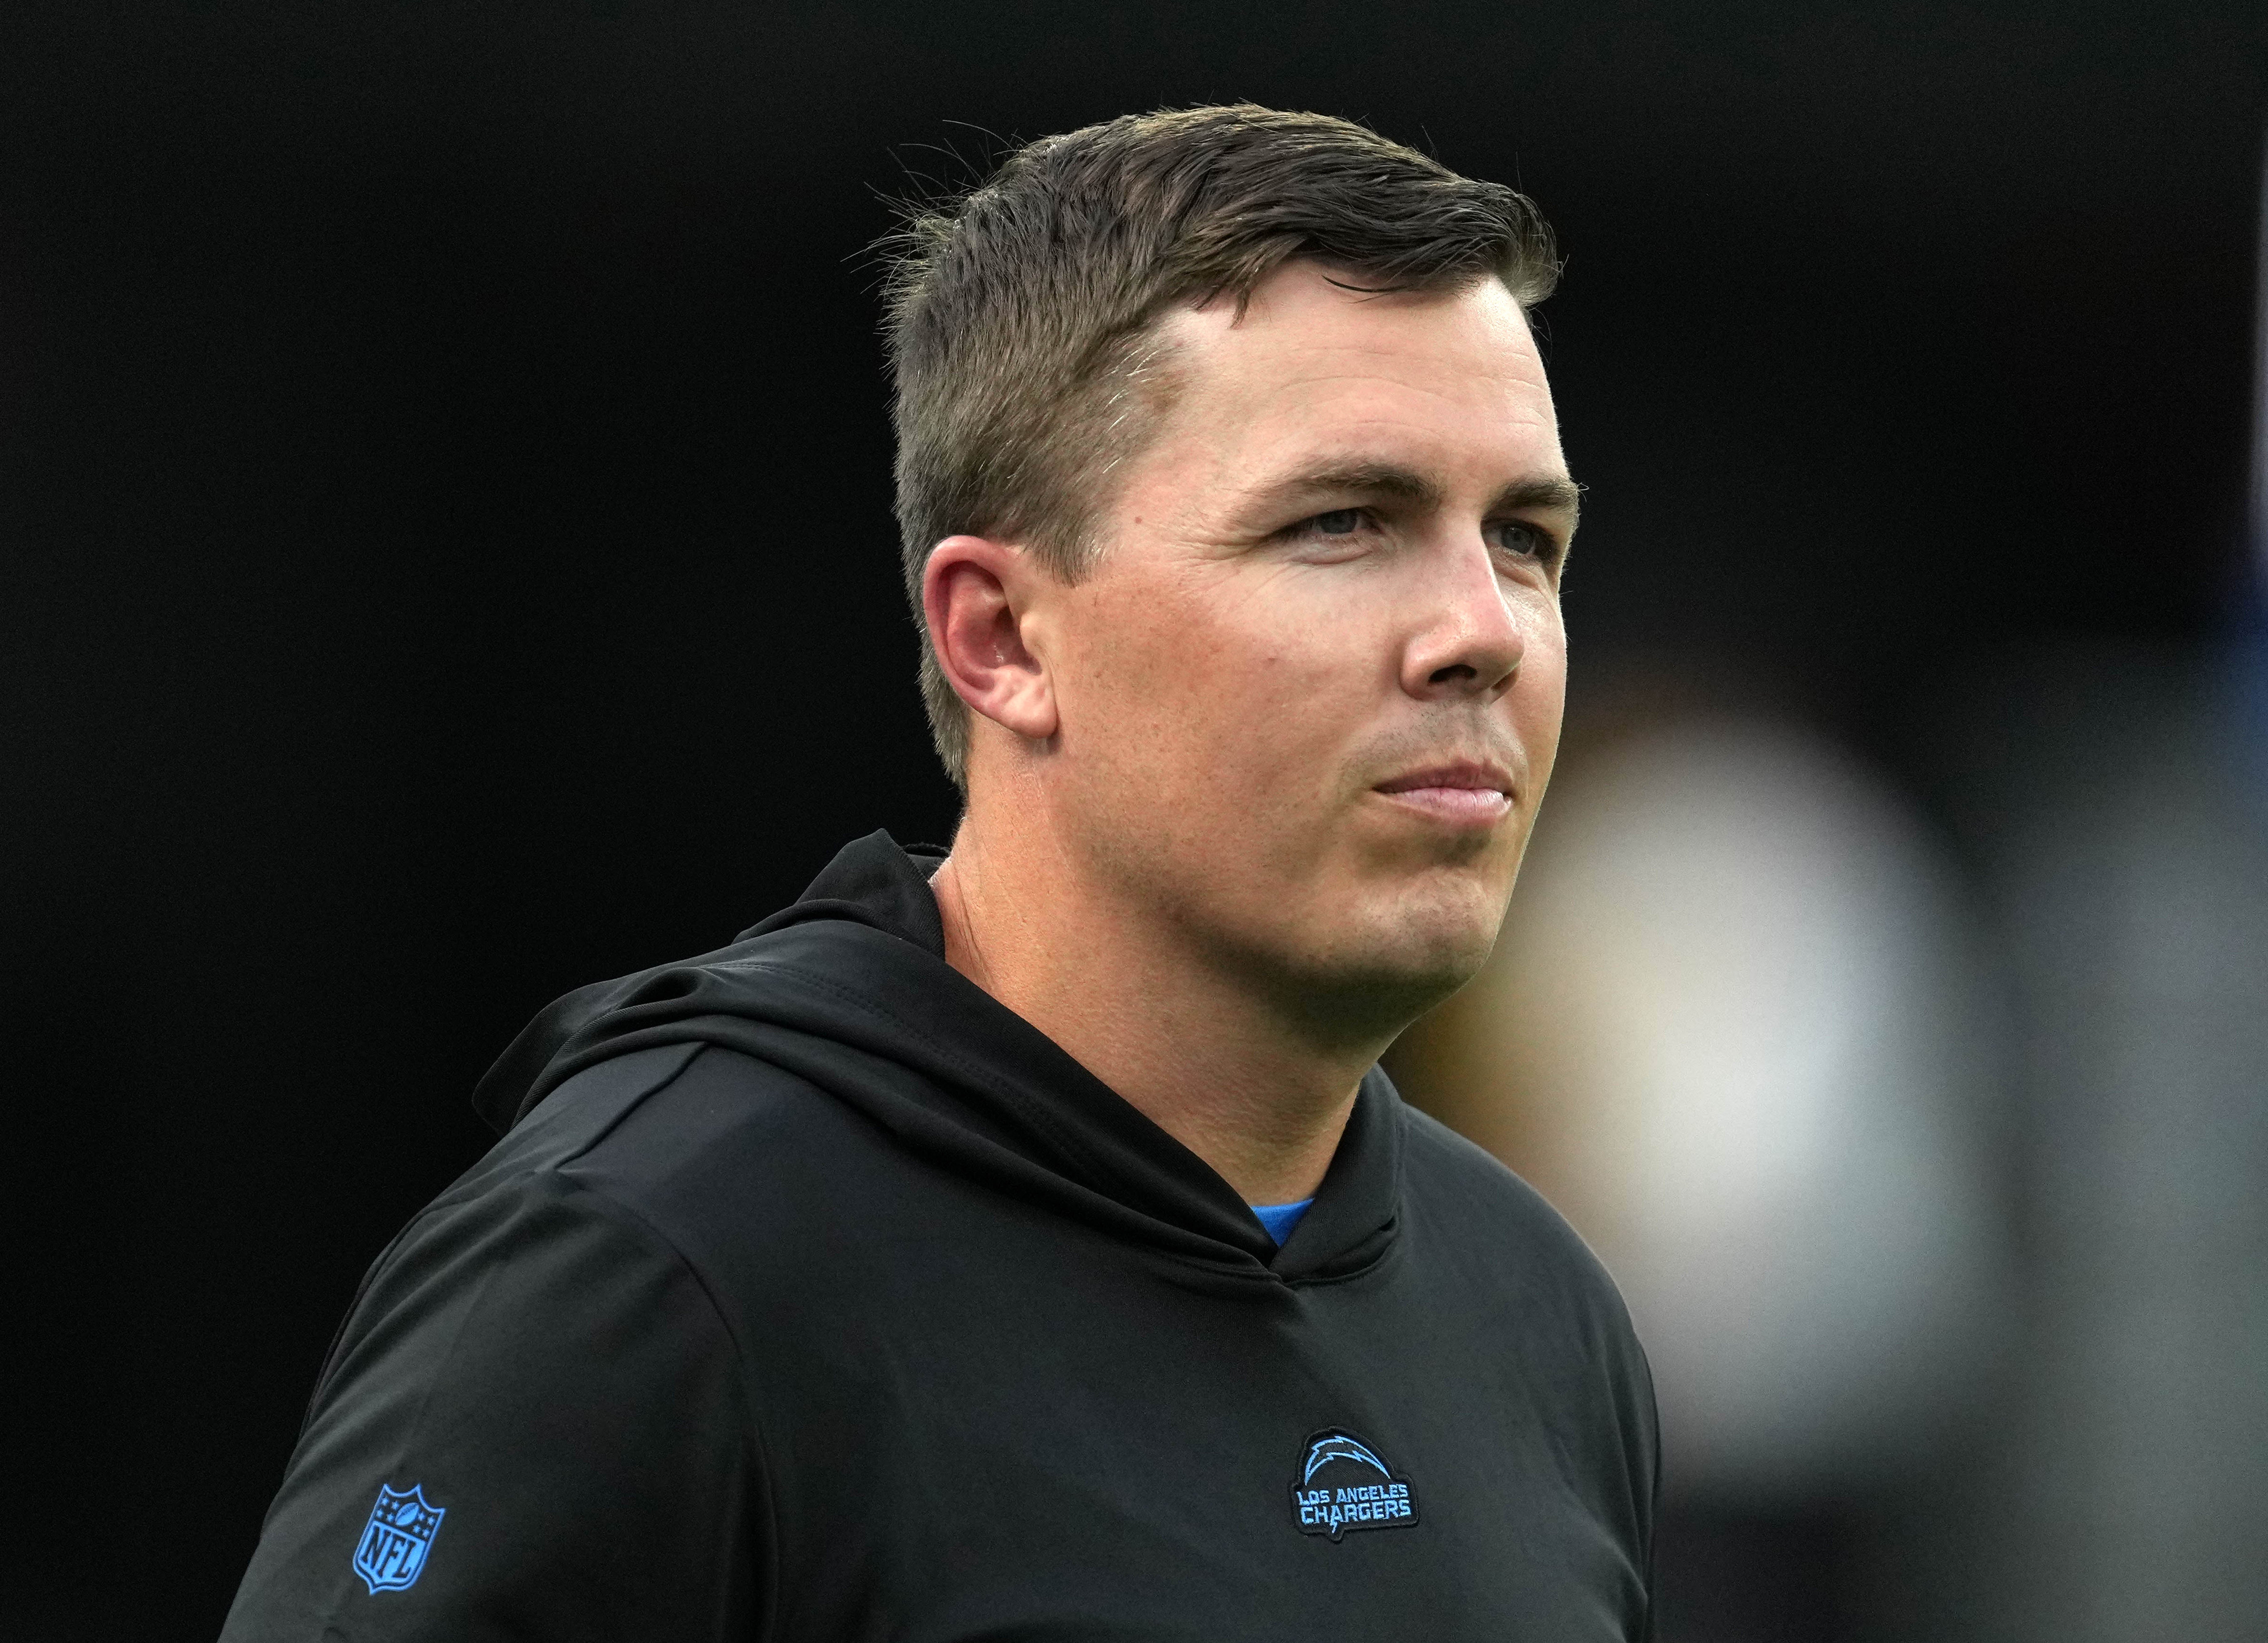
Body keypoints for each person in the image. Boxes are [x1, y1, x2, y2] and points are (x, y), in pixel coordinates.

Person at [220, 104, 1657, 1641]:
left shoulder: (1541, 1313)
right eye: (1341, 522)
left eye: (1523, 537)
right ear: (1000, 638)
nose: (1485, 631)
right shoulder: (651, 1268)